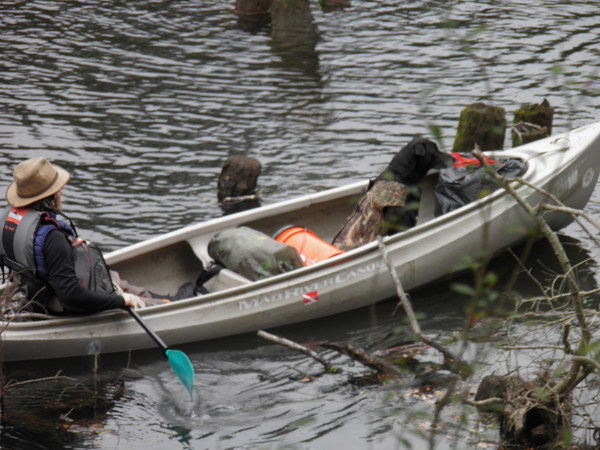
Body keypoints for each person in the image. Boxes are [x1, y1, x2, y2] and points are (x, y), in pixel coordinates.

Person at [0, 157, 147, 315]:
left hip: (34, 291)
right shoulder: (53, 238)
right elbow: (71, 295)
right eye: (58, 190)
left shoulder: (10, 221)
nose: (60, 193)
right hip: (56, 303)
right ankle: (163, 301)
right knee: (141, 298)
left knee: (115, 278)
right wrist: (121, 301)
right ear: (51, 196)